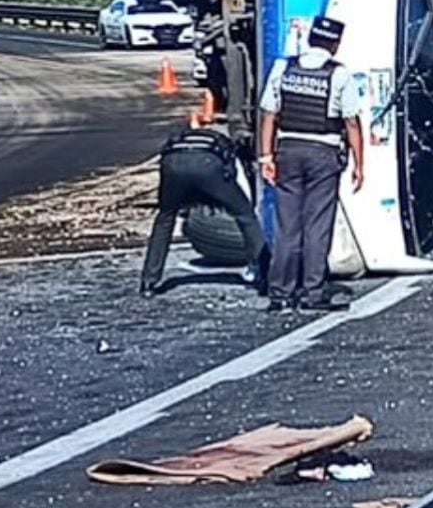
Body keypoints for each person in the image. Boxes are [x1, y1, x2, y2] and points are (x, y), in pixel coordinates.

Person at [257, 16, 365, 312]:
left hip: (287, 151)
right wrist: (359, 164)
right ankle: (313, 292)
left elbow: (268, 114)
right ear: (335, 43)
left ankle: (279, 293)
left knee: (287, 226)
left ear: (310, 39)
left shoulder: (284, 68)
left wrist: (265, 156)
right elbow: (351, 122)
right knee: (317, 226)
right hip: (323, 153)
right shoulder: (339, 75)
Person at [142, 124, 266, 297]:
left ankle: (149, 281)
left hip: (173, 164)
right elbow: (239, 183)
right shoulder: (229, 143)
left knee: (165, 218)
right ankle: (266, 275)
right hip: (209, 165)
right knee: (245, 216)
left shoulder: (181, 137)